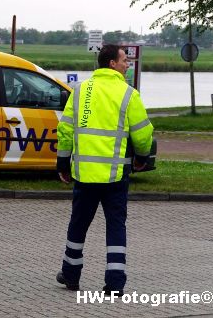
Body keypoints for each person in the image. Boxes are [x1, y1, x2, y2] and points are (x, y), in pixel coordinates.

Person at [55, 44, 153, 296]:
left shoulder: (80, 91)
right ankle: (115, 283)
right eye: (124, 60)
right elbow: (143, 133)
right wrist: (142, 156)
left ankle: (71, 275)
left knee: (78, 224)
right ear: (111, 63)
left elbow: (65, 131)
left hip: (85, 174)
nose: (127, 64)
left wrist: (63, 163)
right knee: (116, 226)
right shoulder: (128, 94)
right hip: (116, 175)